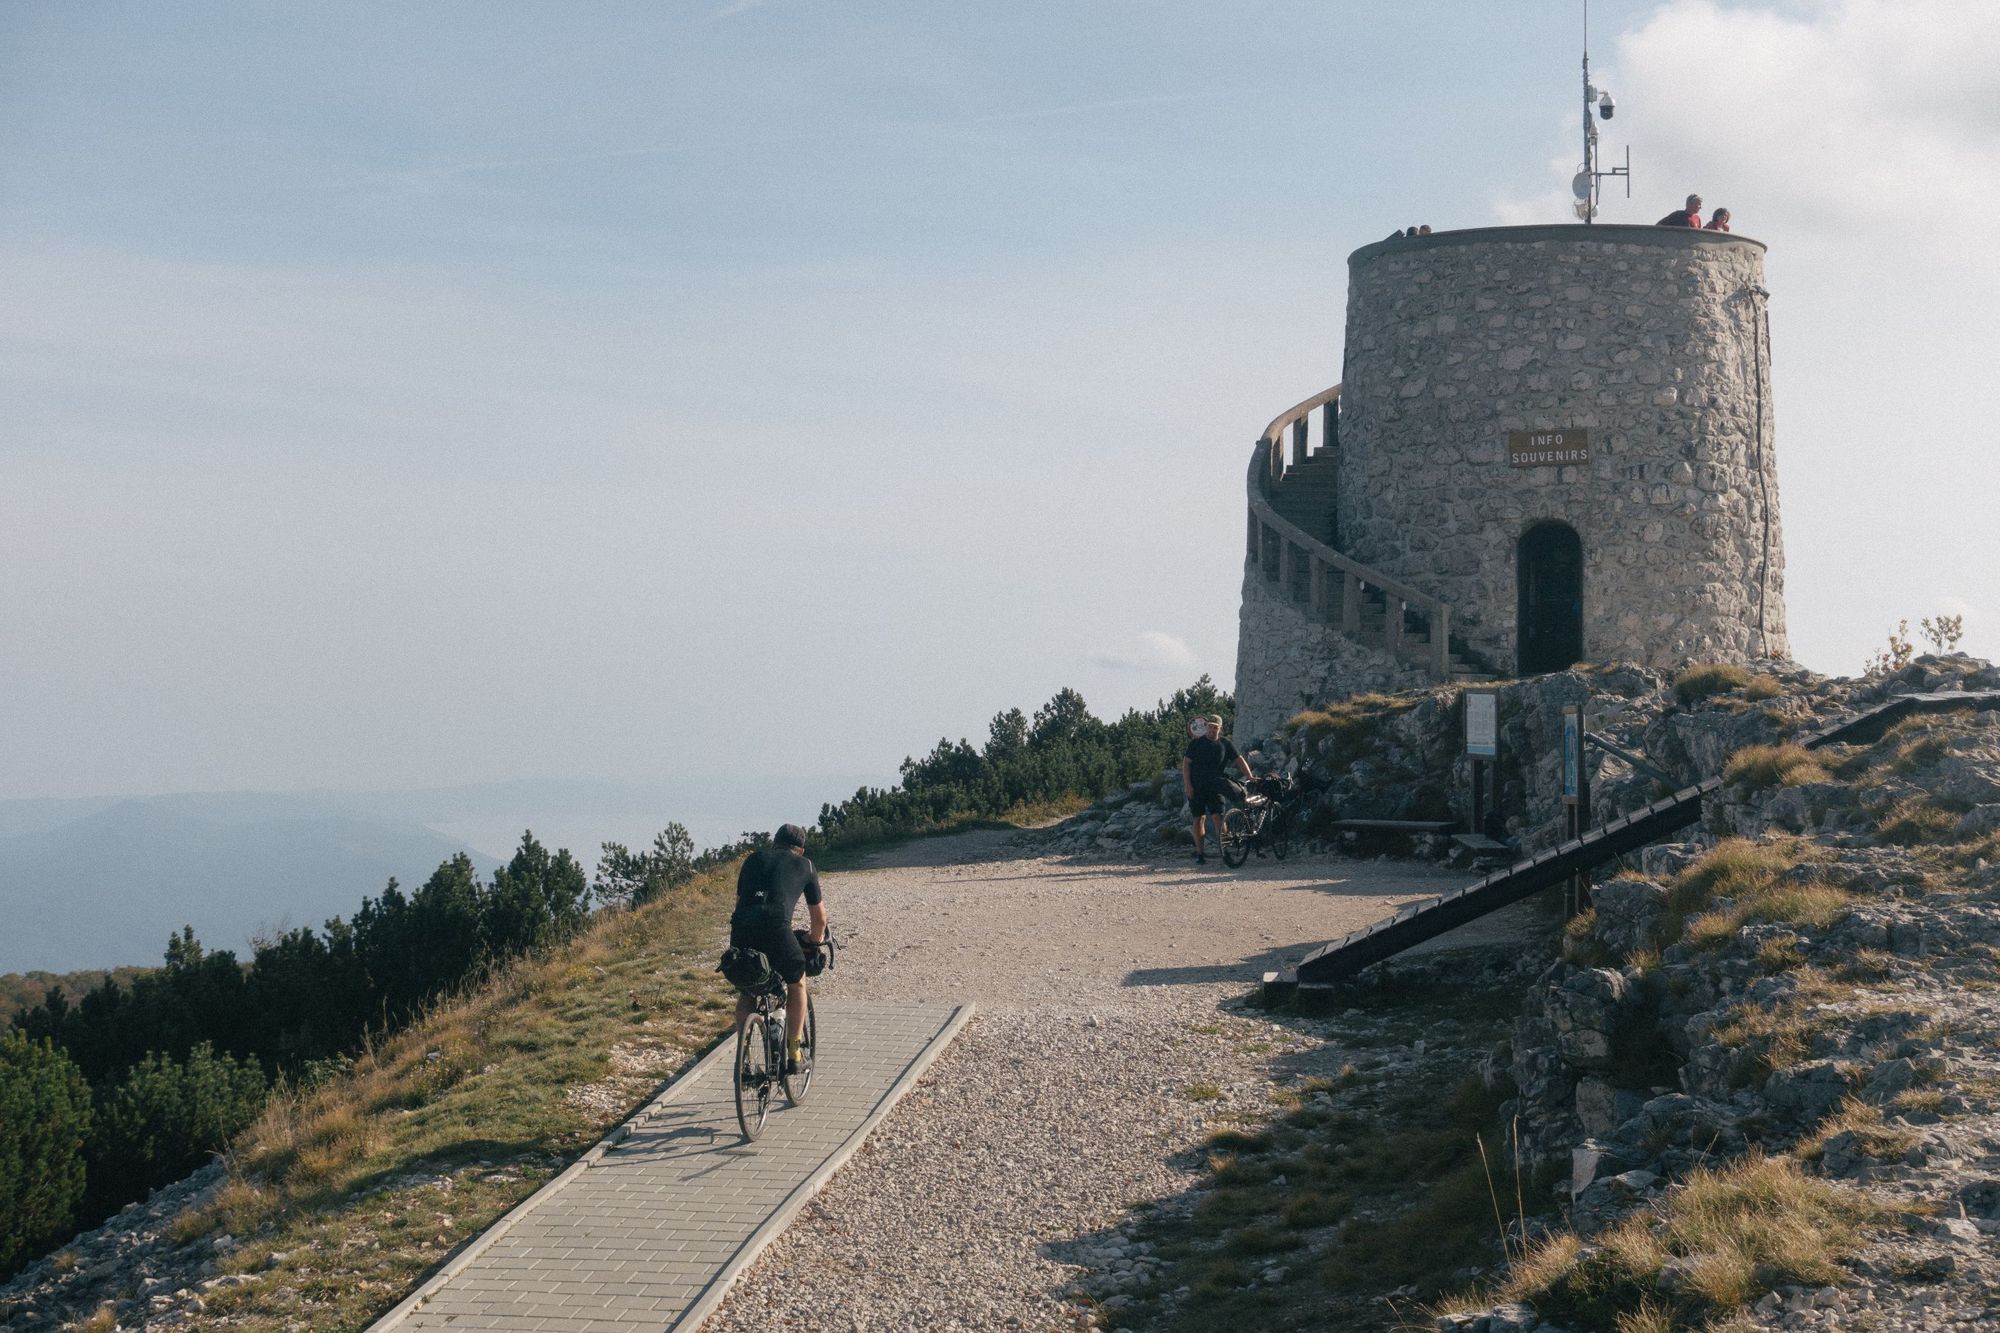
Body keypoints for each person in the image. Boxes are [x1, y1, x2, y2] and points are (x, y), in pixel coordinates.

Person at [729, 823, 828, 1072]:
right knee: (797, 983)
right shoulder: (805, 866)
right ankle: (794, 1053)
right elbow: (820, 920)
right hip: (776, 929)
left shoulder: (753, 859)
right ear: (801, 850)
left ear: (774, 843)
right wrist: (813, 942)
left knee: (748, 991)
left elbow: (740, 903)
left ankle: (743, 1058)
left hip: (741, 929)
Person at [1183, 714, 1253, 864]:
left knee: (1219, 818)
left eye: (1215, 727)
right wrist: (1188, 785)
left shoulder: (1225, 744)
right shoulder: (1196, 743)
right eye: (1210, 726)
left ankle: (1225, 851)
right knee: (1198, 819)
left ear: (1220, 728)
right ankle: (1200, 854)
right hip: (1196, 786)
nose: (1212, 730)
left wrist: (1250, 776)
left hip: (1216, 786)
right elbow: (1186, 764)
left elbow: (1239, 760)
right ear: (1206, 726)